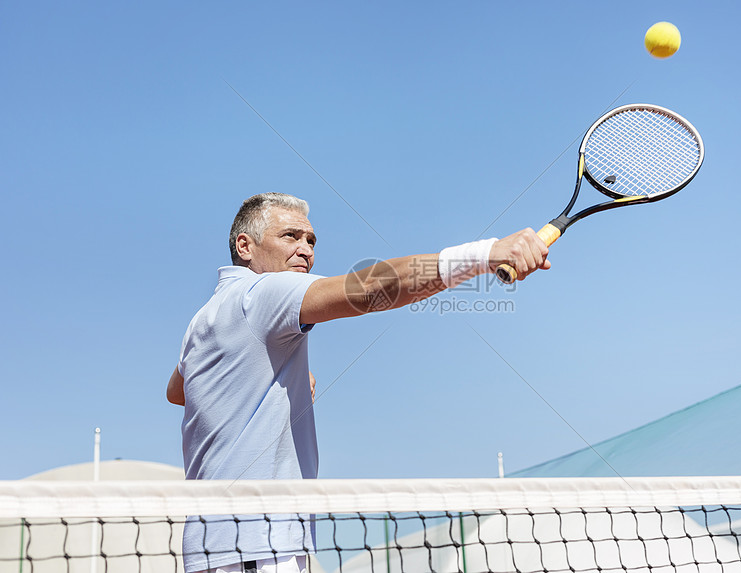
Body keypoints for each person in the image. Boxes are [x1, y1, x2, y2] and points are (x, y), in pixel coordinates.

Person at [167, 192, 549, 573]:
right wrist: (485, 254)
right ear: (245, 246)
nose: (305, 250)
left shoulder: (204, 318)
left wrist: (264, 370)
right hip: (256, 544)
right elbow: (367, 289)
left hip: (216, 546)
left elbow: (178, 391)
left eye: (311, 241)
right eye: (290, 236)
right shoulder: (262, 292)